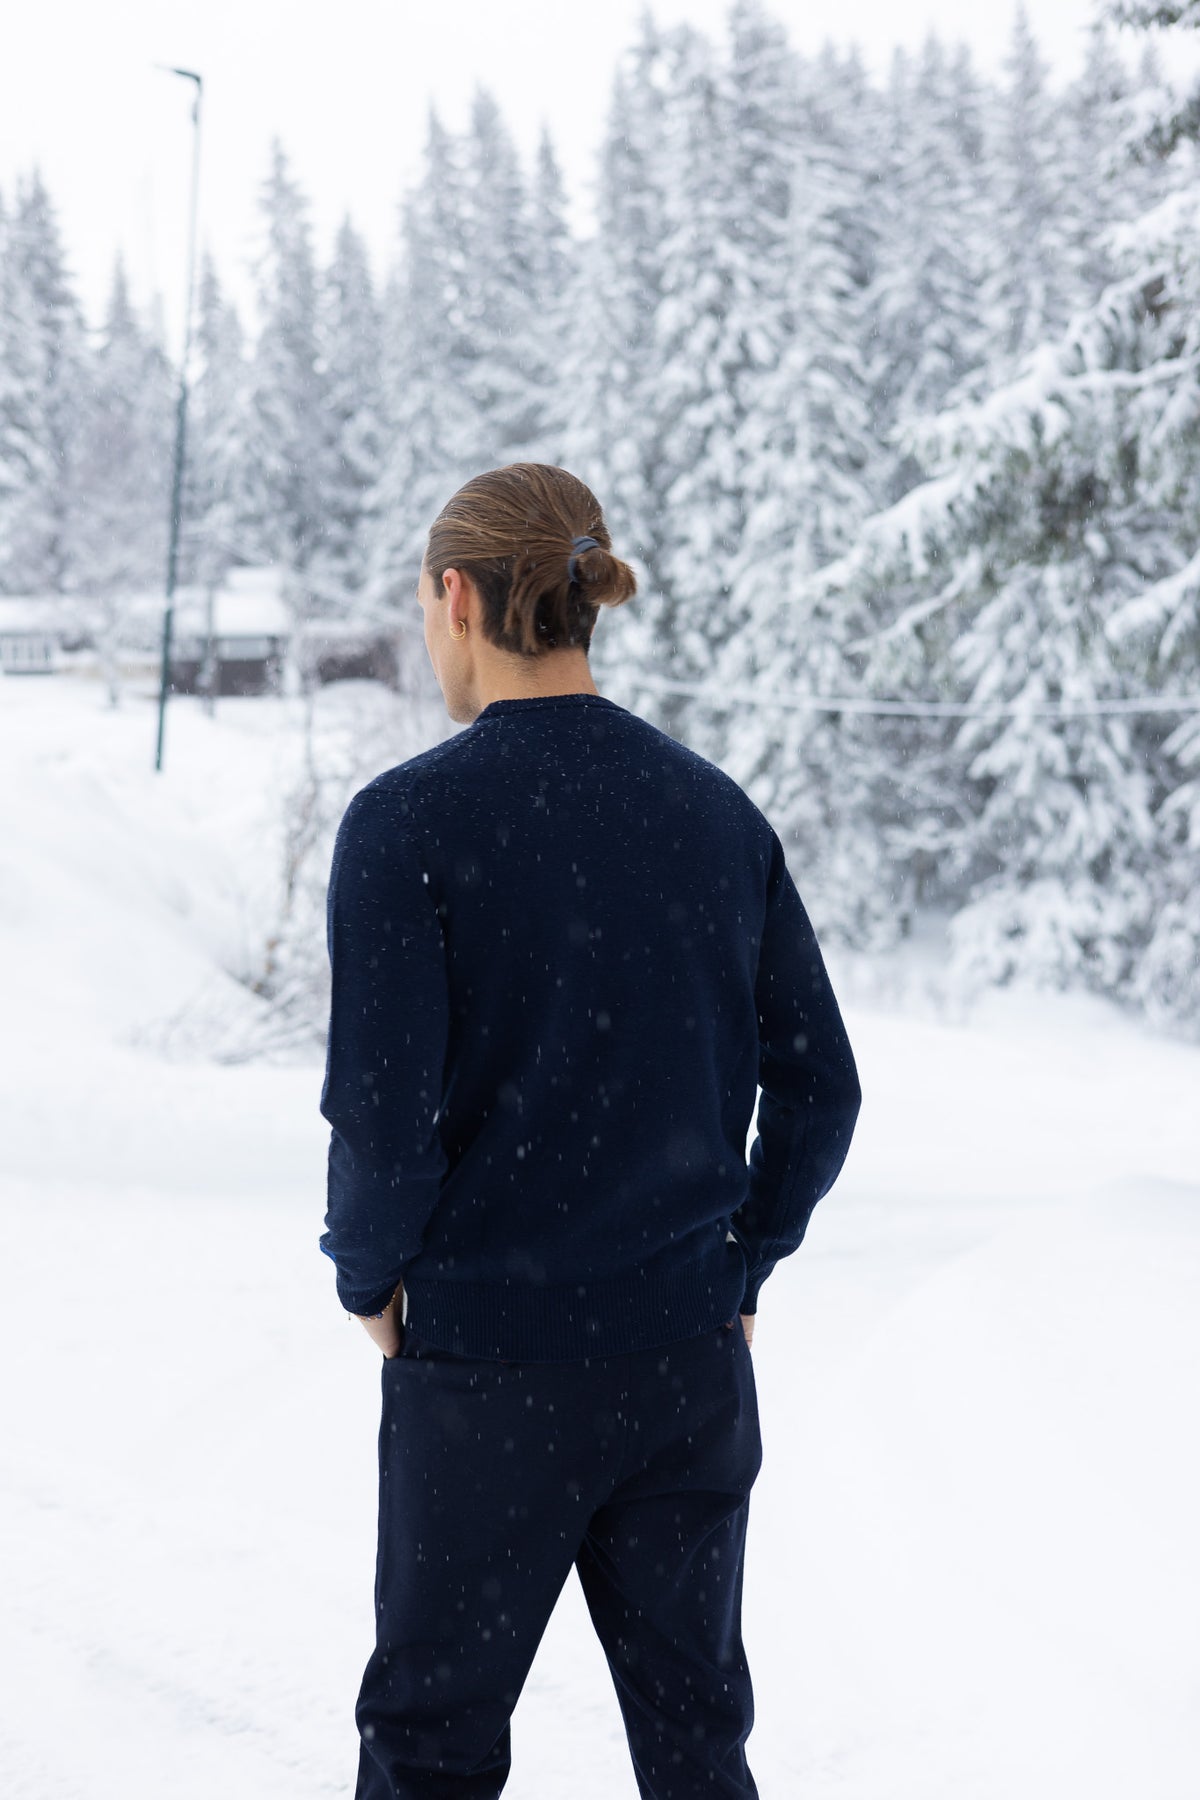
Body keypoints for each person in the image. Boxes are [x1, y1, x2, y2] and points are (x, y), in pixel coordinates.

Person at [318, 462, 862, 1799]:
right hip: (683, 1370)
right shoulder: (716, 814)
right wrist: (741, 1265)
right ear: (583, 598)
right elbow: (822, 1088)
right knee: (696, 1747)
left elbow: (382, 1121)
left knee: (431, 1748)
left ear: (457, 597)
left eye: (427, 605)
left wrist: (370, 1281)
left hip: (486, 1377)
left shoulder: (406, 824)